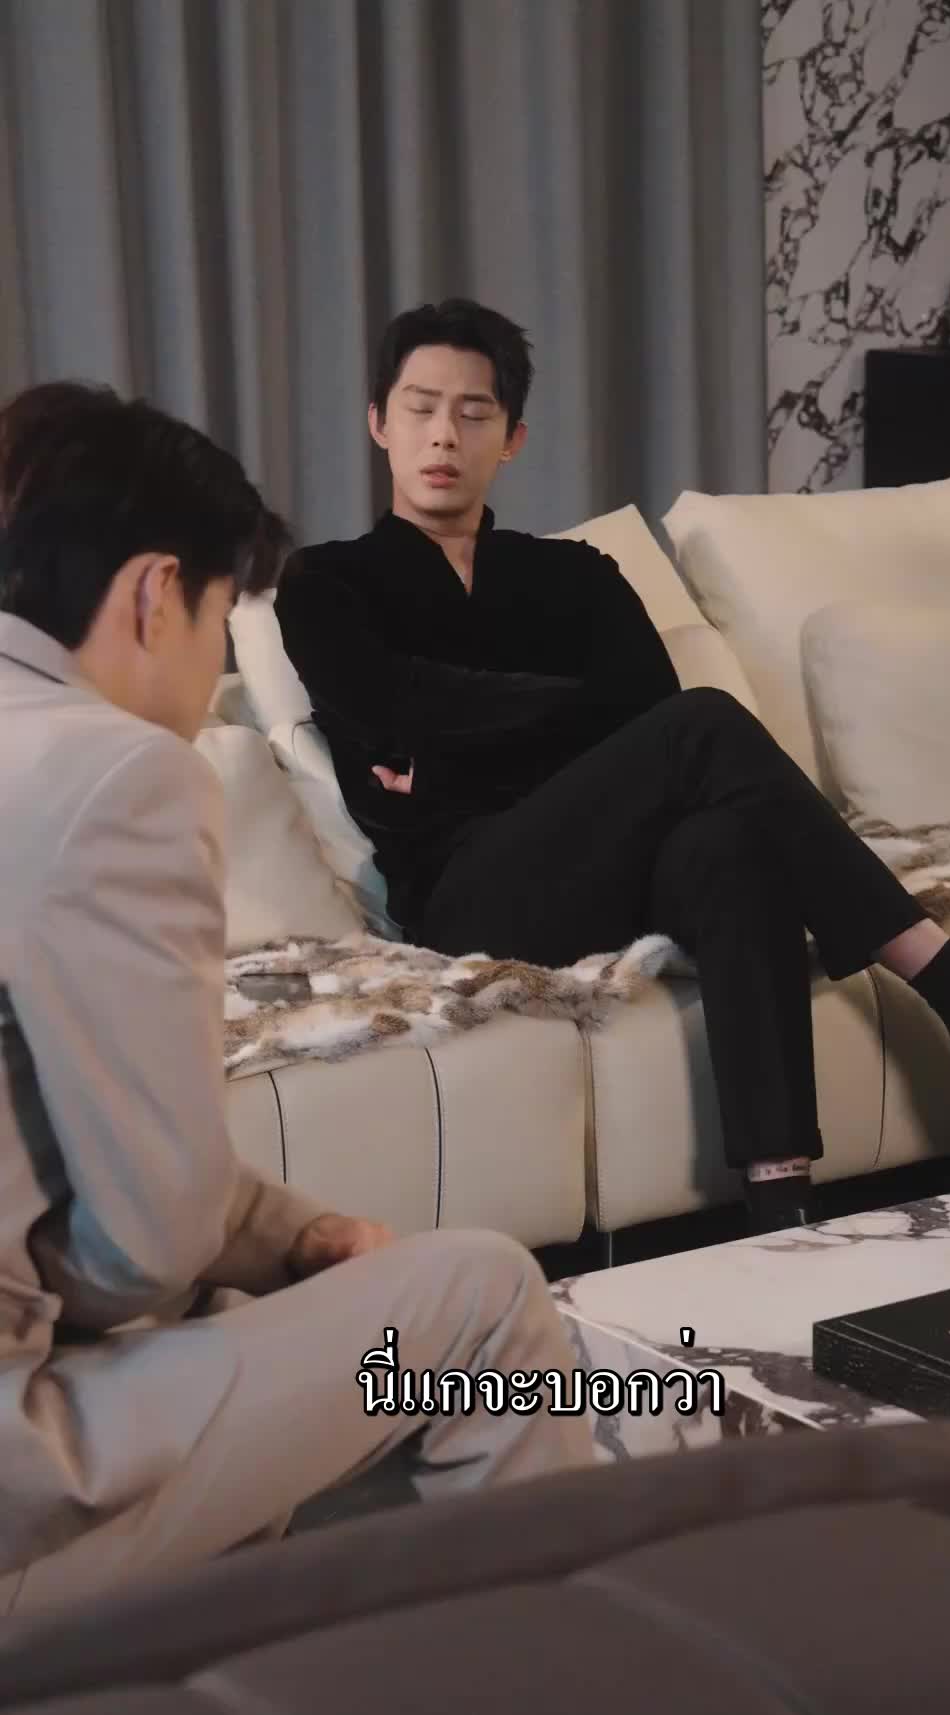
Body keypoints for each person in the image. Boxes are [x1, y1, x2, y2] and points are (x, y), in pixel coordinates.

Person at [275, 298, 950, 1236]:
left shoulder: (577, 574)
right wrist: (559, 722)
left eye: (473, 411)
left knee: (728, 841)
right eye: (420, 408)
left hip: (613, 868)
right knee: (705, 725)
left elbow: (633, 717)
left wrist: (455, 756)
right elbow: (398, 708)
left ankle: (784, 1204)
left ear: (514, 438)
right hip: (469, 897)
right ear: (380, 422)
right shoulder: (326, 583)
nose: (444, 435)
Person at [0, 380, 596, 1614]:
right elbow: (145, 1245)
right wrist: (237, 1259)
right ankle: (567, 1702)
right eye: (222, 620)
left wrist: (290, 1234)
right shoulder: (112, 773)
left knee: (253, 1319)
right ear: (157, 593)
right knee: (482, 1302)